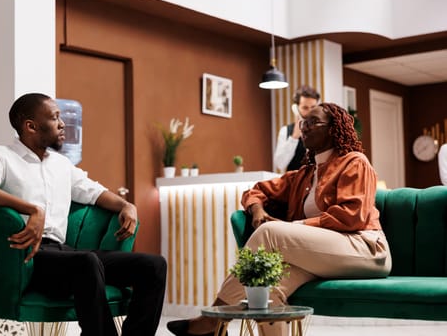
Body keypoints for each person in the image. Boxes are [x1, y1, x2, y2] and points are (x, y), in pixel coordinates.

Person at [167, 102, 392, 336]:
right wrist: (257, 211)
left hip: (365, 248)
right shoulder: (304, 174)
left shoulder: (354, 162)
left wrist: (294, 226)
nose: (304, 127)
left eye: (313, 122)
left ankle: (212, 320)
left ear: (333, 129)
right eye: (304, 122)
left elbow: (351, 217)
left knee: (270, 232)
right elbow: (255, 191)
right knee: (267, 289)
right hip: (327, 255)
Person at [0, 93, 167, 336]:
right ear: (31, 126)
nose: (62, 124)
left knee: (153, 265)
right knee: (86, 262)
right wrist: (30, 209)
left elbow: (95, 192)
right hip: (27, 258)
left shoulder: (61, 165)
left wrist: (126, 206)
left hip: (65, 254)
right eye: (55, 117)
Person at [273, 85, 320, 173]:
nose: (310, 112)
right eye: (305, 108)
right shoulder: (285, 131)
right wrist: (294, 137)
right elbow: (280, 164)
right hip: (295, 184)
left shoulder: (323, 130)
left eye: (313, 107)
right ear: (296, 108)